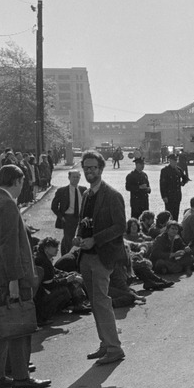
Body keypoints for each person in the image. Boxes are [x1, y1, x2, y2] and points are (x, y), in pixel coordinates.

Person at [0, 164, 49, 388]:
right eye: (22, 182)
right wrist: (14, 282)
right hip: (13, 277)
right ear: (17, 181)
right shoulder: (8, 204)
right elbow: (9, 246)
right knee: (19, 325)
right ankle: (20, 375)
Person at [73, 150, 127, 366]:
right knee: (95, 303)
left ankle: (114, 348)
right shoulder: (87, 194)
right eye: (86, 168)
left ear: (101, 169)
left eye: (93, 167)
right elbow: (83, 221)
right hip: (85, 256)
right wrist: (78, 236)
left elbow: (120, 226)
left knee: (102, 302)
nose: (89, 171)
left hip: (102, 256)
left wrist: (95, 239)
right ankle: (105, 344)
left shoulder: (113, 195)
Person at [33, 237, 89, 323]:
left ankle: (79, 303)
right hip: (41, 295)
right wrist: (66, 280)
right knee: (65, 290)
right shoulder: (43, 261)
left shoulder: (43, 257)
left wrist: (68, 275)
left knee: (72, 275)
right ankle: (45, 315)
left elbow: (55, 270)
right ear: (46, 248)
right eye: (54, 247)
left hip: (41, 292)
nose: (57, 249)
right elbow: (49, 285)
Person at [51, 169, 88, 255]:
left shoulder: (84, 190)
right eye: (73, 177)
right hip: (68, 218)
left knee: (80, 238)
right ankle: (68, 257)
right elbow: (54, 206)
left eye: (77, 177)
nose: (75, 179)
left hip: (80, 218)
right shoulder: (62, 191)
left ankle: (75, 255)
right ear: (69, 178)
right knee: (69, 239)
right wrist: (61, 217)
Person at [160, 152, 188, 221]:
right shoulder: (165, 170)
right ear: (170, 161)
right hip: (169, 196)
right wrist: (164, 196)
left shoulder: (178, 169)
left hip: (177, 195)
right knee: (169, 214)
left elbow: (185, 178)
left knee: (176, 213)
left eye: (176, 160)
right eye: (173, 161)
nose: (175, 162)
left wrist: (183, 183)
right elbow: (162, 184)